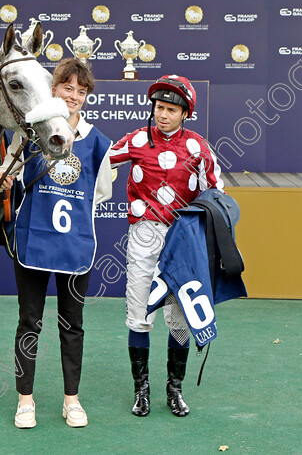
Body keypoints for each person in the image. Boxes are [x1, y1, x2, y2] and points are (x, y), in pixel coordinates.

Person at [0, 58, 112, 429]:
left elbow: (100, 192)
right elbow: (4, 174)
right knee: (29, 321)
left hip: (75, 246)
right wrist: (3, 180)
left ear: (86, 96)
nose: (73, 96)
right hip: (33, 242)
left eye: (81, 90)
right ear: (53, 88)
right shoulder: (26, 136)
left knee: (72, 324)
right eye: (67, 87)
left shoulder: (98, 142)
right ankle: (25, 400)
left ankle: (71, 400)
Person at [108, 74, 224, 418]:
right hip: (144, 236)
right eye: (159, 107)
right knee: (140, 313)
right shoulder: (137, 140)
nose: (163, 114)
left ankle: (175, 389)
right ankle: (140, 391)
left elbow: (216, 196)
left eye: (171, 109)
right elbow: (99, 163)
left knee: (180, 318)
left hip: (182, 241)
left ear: (185, 113)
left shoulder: (199, 148)